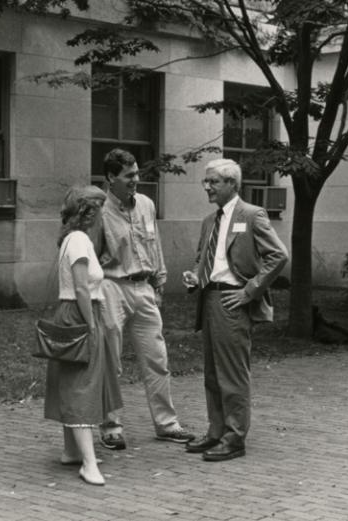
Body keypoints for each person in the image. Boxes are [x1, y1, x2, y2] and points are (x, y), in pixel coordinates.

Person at [181, 158, 288, 462]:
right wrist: (194, 277)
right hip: (210, 300)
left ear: (231, 183)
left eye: (213, 182)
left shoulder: (252, 215)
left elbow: (278, 256)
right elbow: (203, 259)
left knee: (232, 374)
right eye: (206, 182)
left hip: (233, 301)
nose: (207, 187)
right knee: (213, 373)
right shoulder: (208, 221)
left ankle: (234, 437)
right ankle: (216, 432)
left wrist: (250, 290)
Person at [93, 148, 195, 450]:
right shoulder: (98, 210)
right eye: (129, 176)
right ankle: (110, 426)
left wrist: (159, 282)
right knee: (111, 361)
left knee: (157, 358)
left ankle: (167, 424)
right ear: (111, 178)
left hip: (144, 288)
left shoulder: (146, 205)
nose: (136, 180)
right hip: (112, 286)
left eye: (137, 173)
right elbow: (90, 253)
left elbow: (156, 246)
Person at [43, 185, 123, 486]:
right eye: (100, 209)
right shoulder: (78, 240)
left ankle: (72, 451)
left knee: (72, 381)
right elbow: (80, 288)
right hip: (80, 313)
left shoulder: (74, 239)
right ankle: (88, 463)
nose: (104, 214)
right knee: (82, 386)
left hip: (75, 312)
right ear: (89, 212)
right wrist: (90, 325)